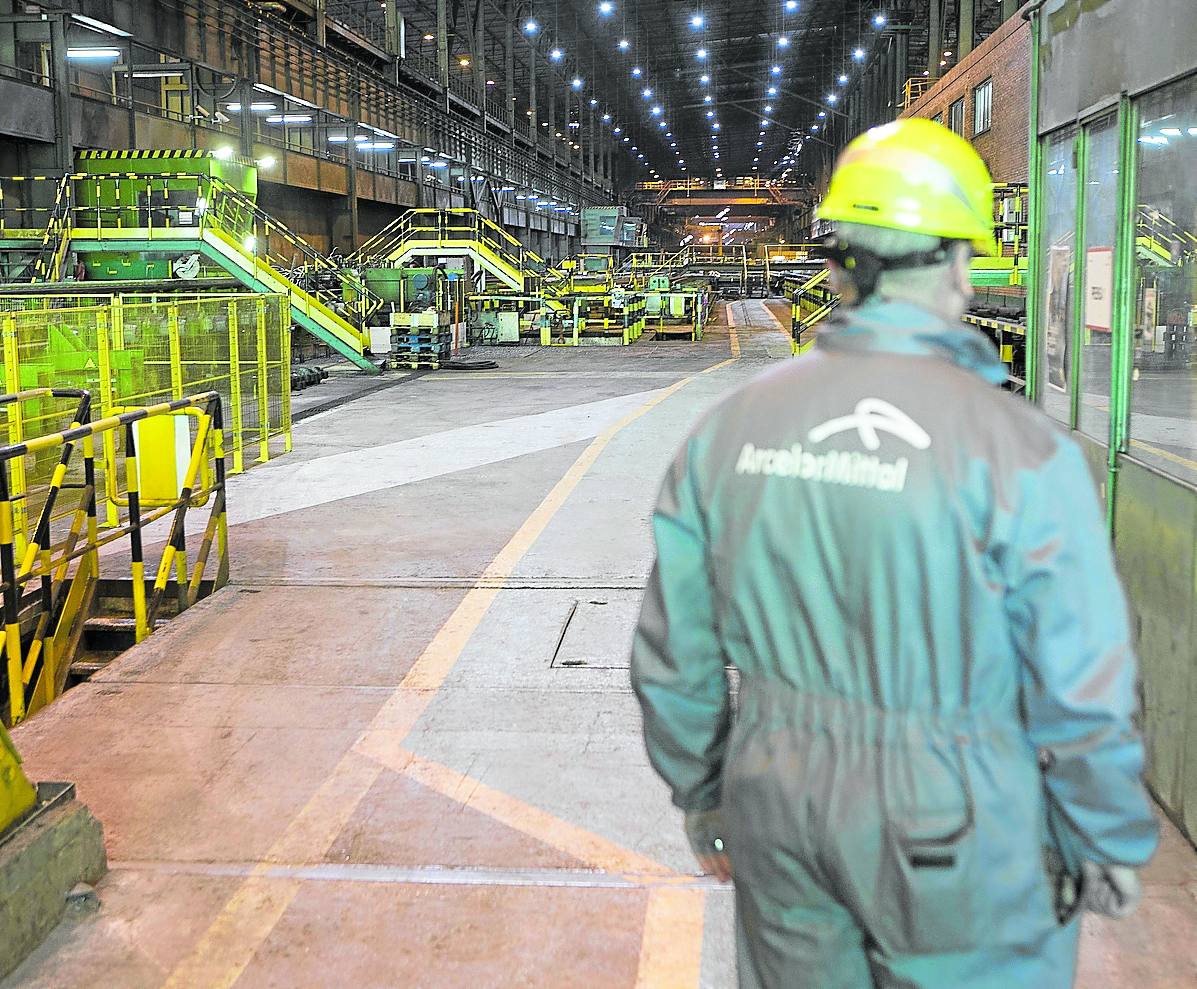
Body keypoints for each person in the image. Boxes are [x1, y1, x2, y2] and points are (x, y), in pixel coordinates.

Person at [630, 119, 1158, 989]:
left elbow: (671, 658)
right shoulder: (1017, 449)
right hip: (952, 816)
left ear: (834, 268)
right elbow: (1081, 680)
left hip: (777, 799)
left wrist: (705, 793)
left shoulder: (730, 430)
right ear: (958, 264)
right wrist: (1104, 833)